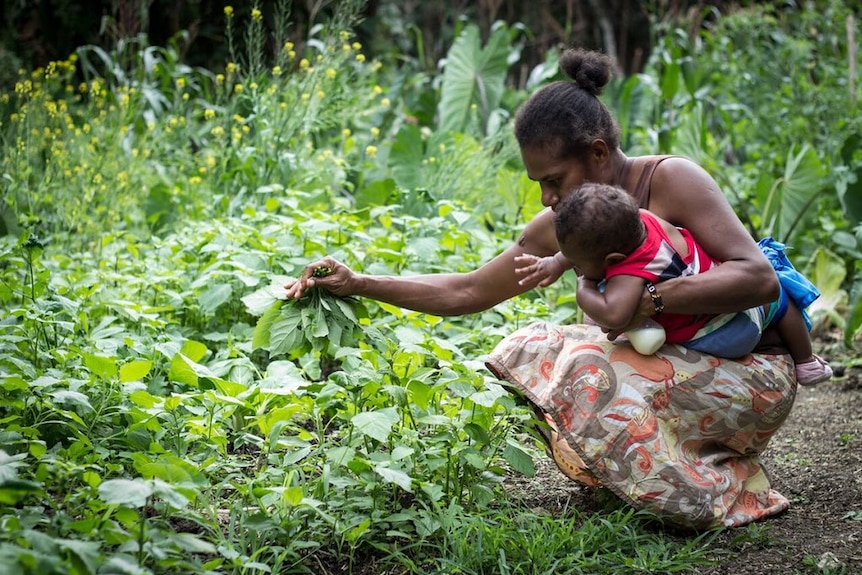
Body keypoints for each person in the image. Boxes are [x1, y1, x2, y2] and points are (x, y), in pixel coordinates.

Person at [284, 48, 808, 529]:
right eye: (539, 182)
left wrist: (643, 301)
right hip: (666, 368)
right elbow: (468, 291)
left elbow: (759, 279)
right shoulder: (564, 222)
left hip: (747, 375)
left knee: (587, 360)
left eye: (554, 180)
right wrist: (359, 283)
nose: (545, 197)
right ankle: (645, 480)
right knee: (528, 347)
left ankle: (724, 485)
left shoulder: (672, 181)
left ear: (598, 153)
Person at [517, 182, 832, 385]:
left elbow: (613, 316)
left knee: (776, 294)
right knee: (783, 296)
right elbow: (588, 248)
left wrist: (584, 286)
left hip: (719, 335)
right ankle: (806, 359)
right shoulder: (642, 220)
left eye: (578, 264)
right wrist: (558, 262)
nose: (577, 268)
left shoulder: (631, 272)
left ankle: (783, 351)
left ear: (612, 260)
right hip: (722, 306)